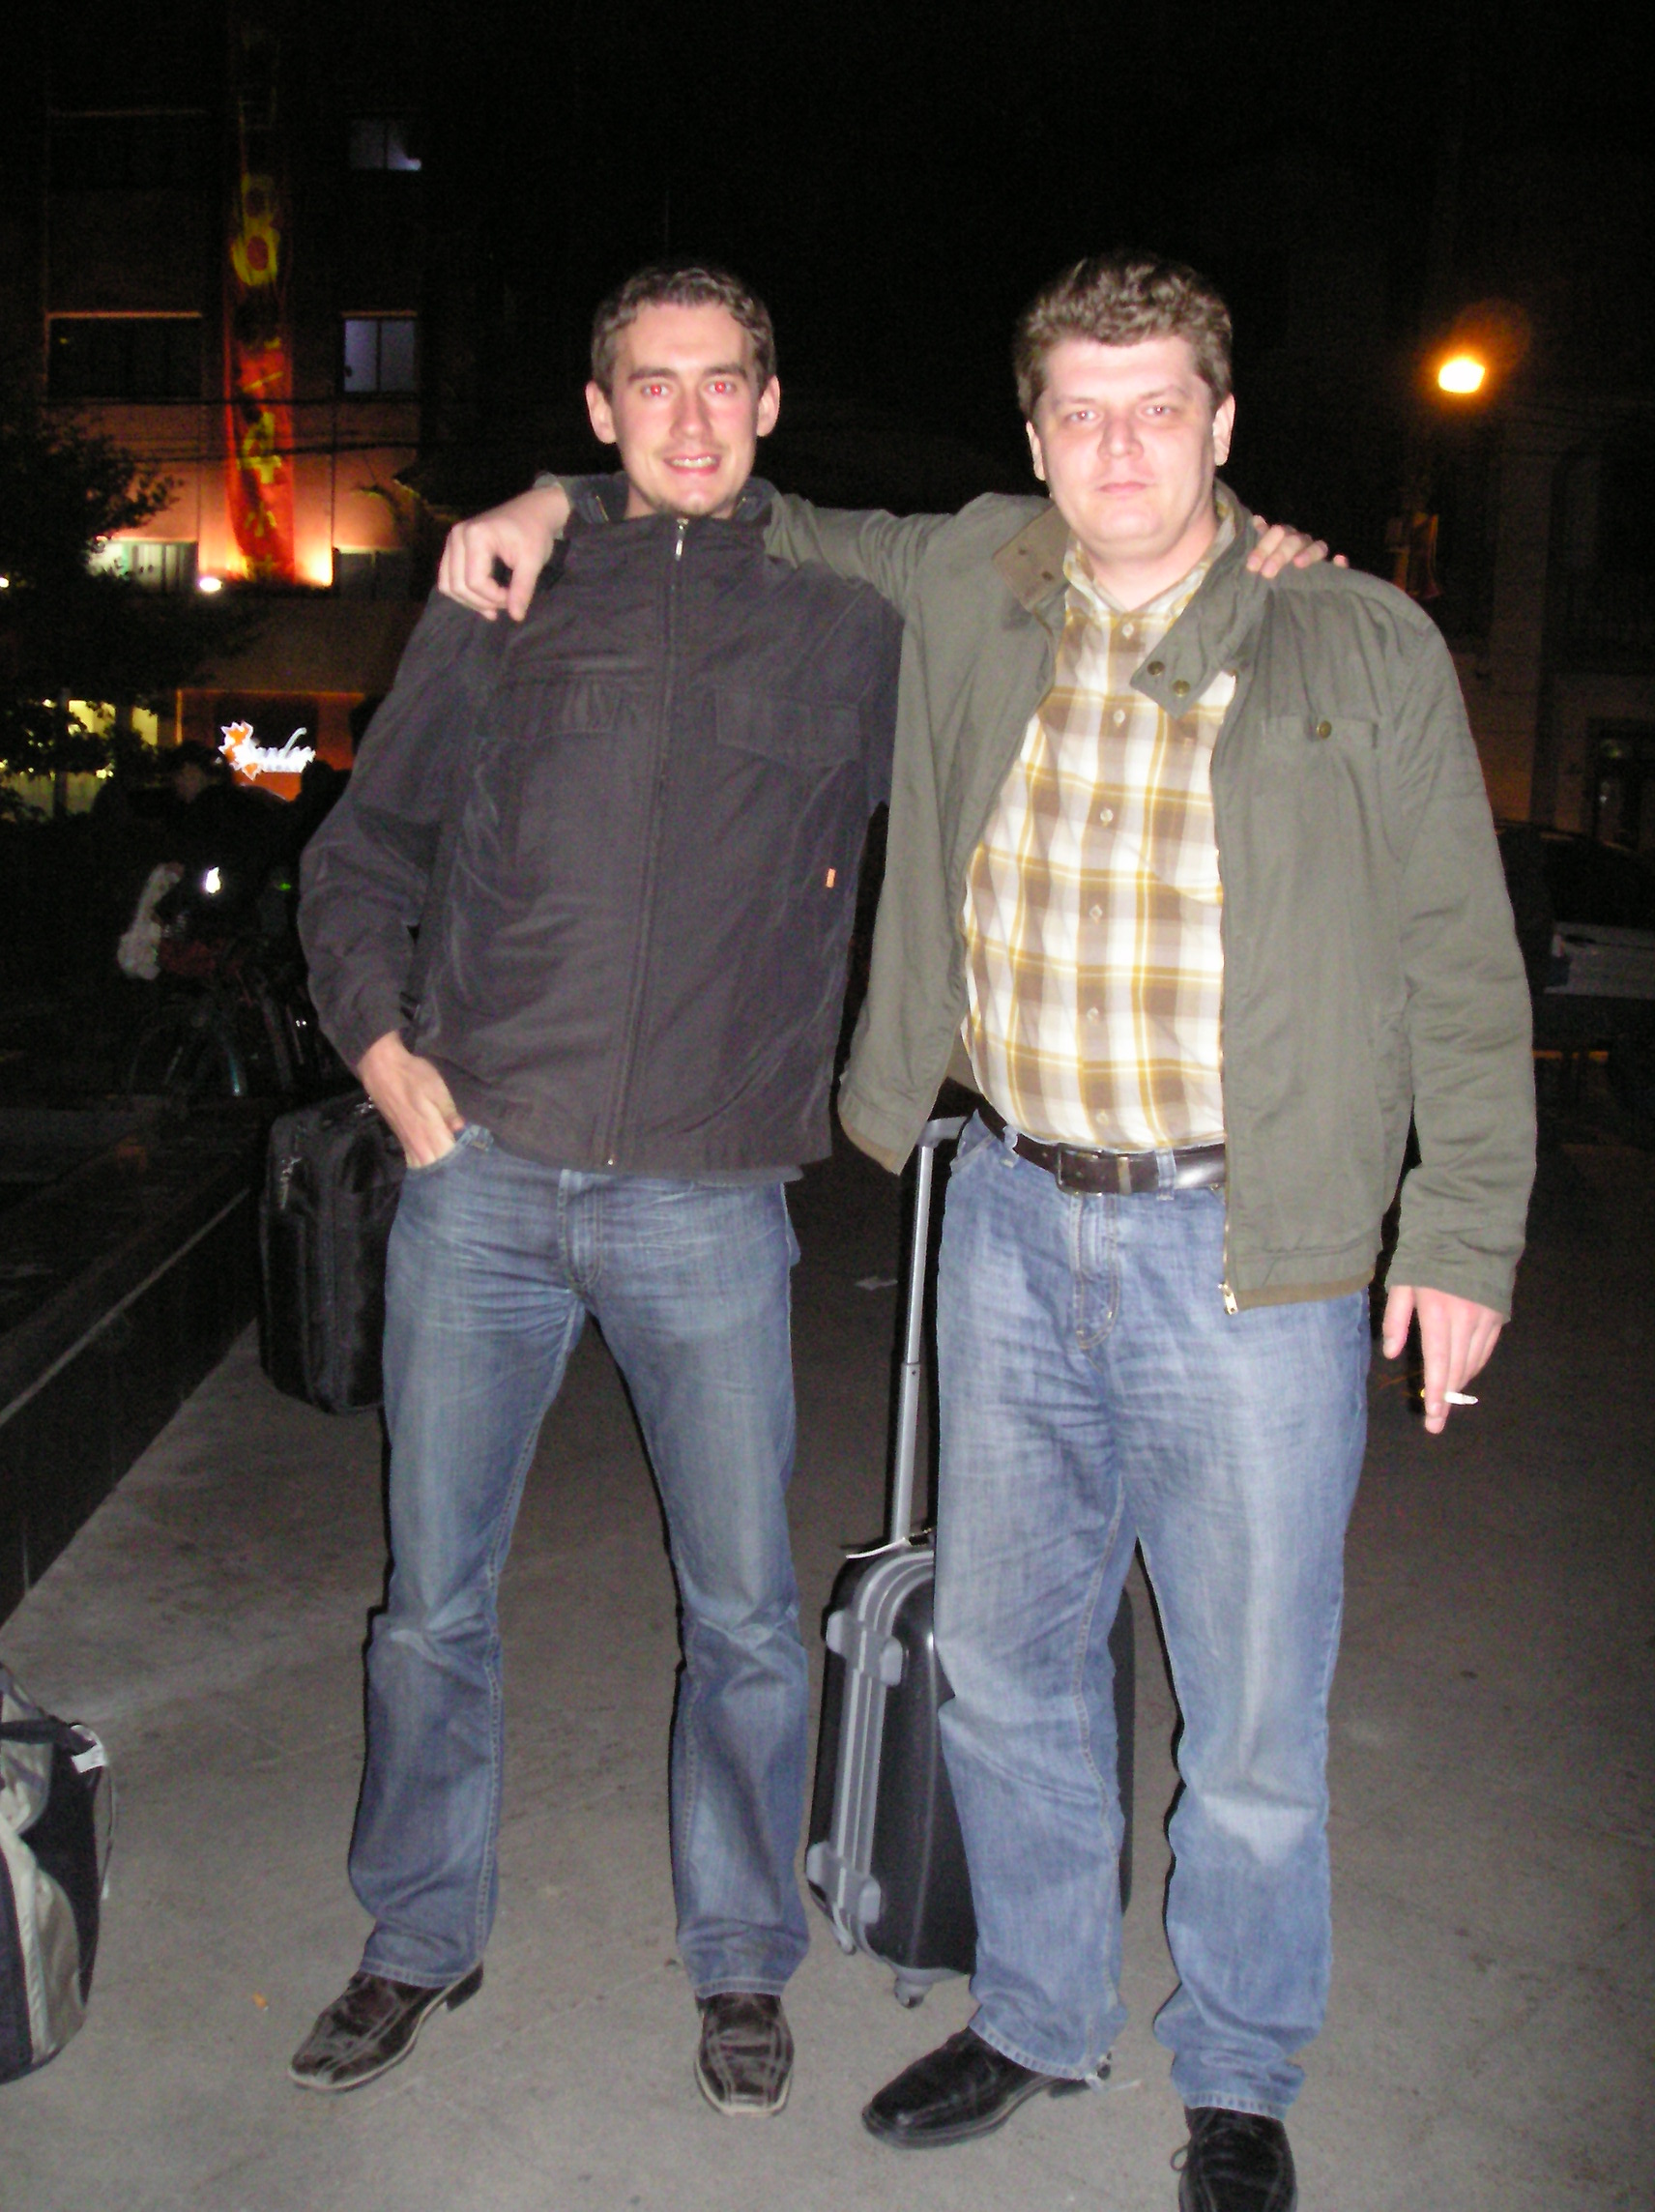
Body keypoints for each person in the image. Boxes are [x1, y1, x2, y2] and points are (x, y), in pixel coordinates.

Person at [437, 252, 1535, 2211]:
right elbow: (743, 492)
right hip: (1012, 1215)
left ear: (1221, 425)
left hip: (1250, 1248)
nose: (1118, 450)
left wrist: (1461, 1232)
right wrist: (546, 494)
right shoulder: (972, 575)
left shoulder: (1353, 640)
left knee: (1249, 1717)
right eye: (1079, 414)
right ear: (1034, 435)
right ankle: (1036, 2012)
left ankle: (1239, 2074)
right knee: (1011, 1671)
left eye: (1158, 410)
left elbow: (1461, 954)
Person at [289, 263, 906, 2116]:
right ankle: (419, 1933)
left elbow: (1074, 564)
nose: (691, 417)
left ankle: (743, 1957)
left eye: (724, 383)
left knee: (744, 1617)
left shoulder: (851, 621)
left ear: (772, 403)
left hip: (707, 1198)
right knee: (431, 1607)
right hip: (481, 1180)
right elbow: (364, 850)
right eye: (653, 384)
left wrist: (1262, 541)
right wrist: (386, 1061)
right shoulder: (509, 591)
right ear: (599, 408)